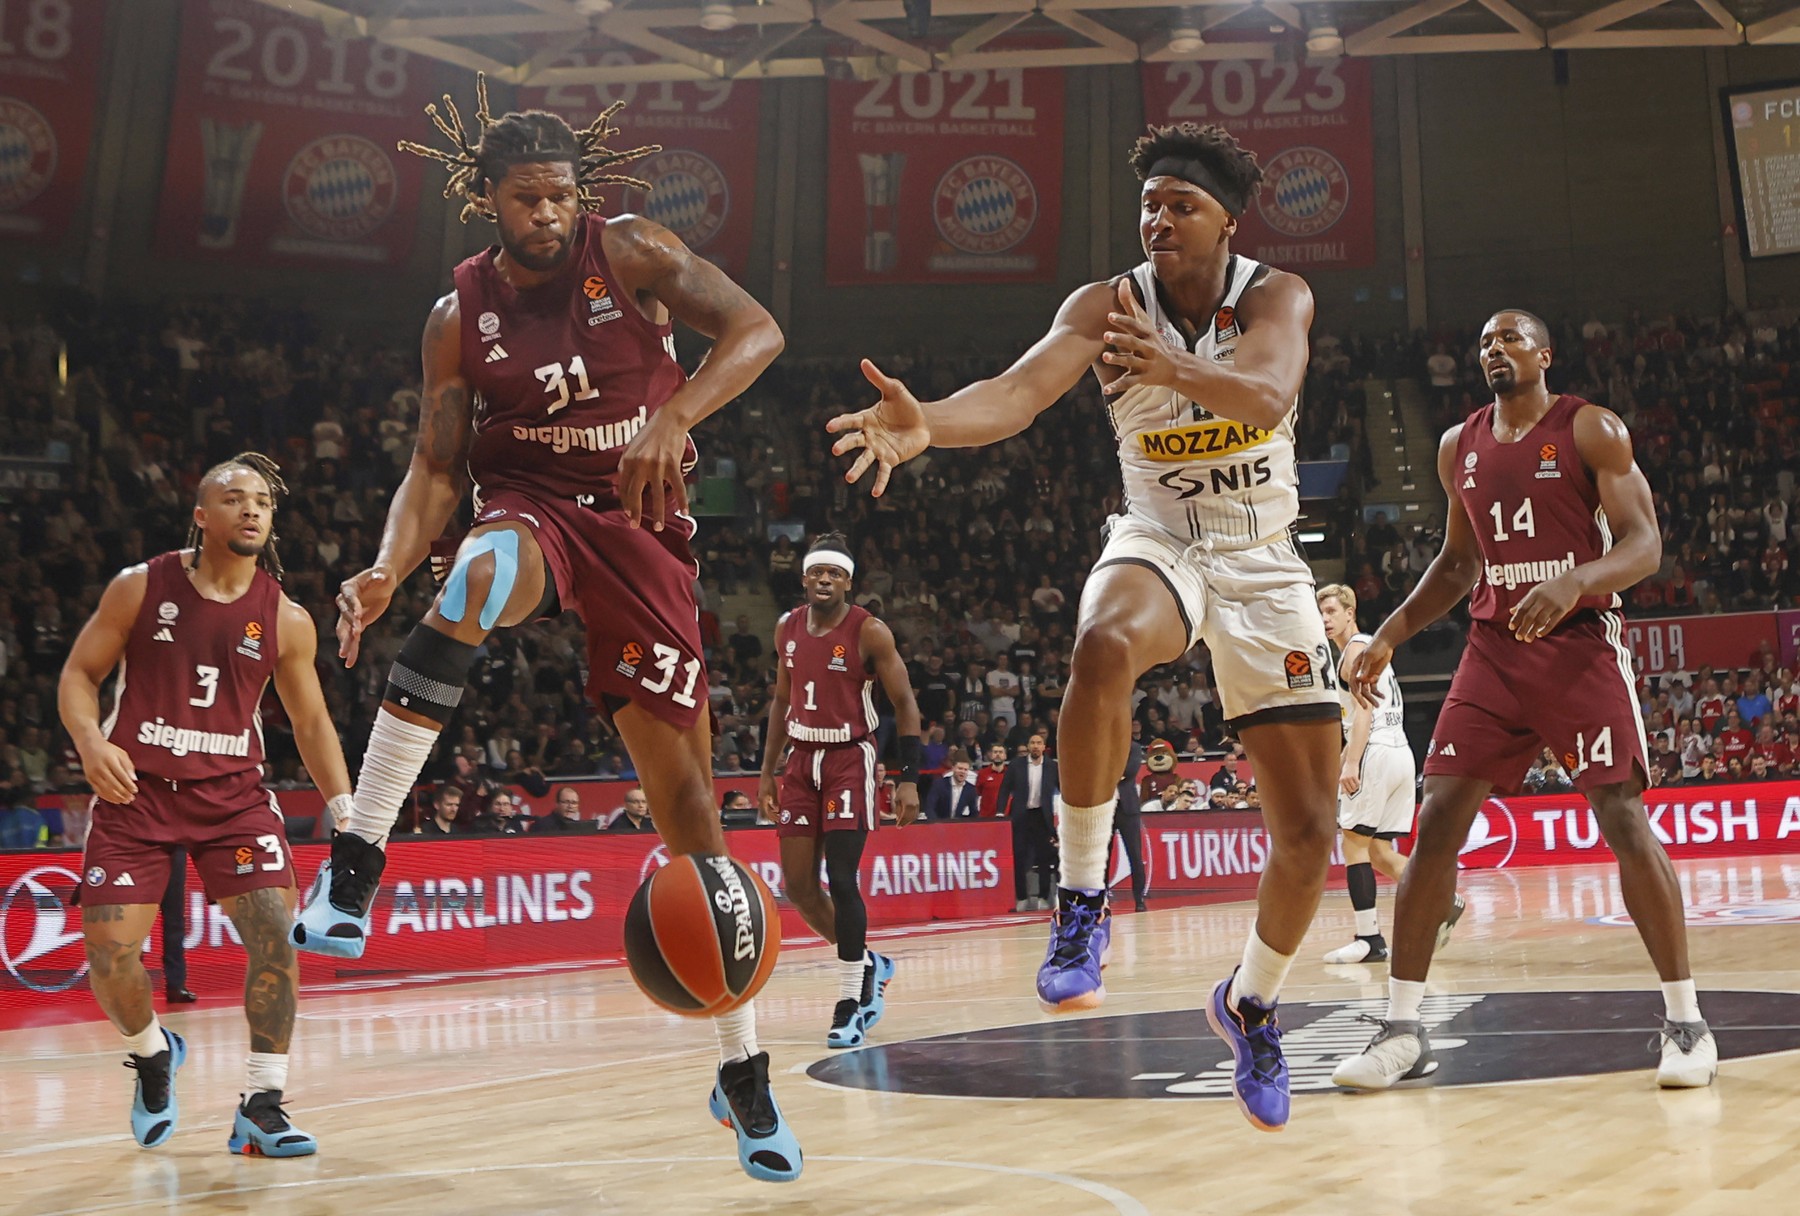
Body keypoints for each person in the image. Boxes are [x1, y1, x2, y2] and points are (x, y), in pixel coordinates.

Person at [289, 80, 800, 1181]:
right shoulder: (455, 316)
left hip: (644, 534)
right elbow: (437, 466)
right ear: (487, 201)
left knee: (693, 816)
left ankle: (742, 1072)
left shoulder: (636, 253)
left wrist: (674, 413)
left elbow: (759, 330)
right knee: (467, 586)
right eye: (529, 200)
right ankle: (356, 859)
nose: (552, 216)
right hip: (529, 510)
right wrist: (385, 562)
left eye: (564, 196)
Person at [828, 121, 1340, 1131]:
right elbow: (1017, 394)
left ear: (1227, 222)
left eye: (1180, 205)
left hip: (1264, 559)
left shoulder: (1276, 295)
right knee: (1103, 640)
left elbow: (1271, 390)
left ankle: (1252, 1004)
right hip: (1164, 536)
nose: (1158, 219)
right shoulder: (1105, 305)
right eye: (1148, 203)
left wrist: (1171, 368)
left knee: (1313, 831)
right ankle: (1080, 901)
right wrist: (929, 418)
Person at [1332, 310, 1715, 1092]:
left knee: (1622, 817)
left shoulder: (1592, 430)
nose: (1493, 350)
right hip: (1494, 652)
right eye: (1483, 342)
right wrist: (1388, 636)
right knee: (1437, 820)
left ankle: (1685, 1021)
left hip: (1577, 648)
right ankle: (1402, 1028)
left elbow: (1644, 543)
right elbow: (1455, 564)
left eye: (1509, 339)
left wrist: (1578, 578)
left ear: (1544, 353)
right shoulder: (1456, 447)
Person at [58, 453, 352, 1156]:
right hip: (137, 792)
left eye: (262, 502)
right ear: (201, 515)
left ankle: (262, 1102)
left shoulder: (285, 617)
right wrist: (91, 742)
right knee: (110, 956)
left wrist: (347, 812)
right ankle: (153, 1052)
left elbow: (310, 723)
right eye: (233, 498)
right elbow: (78, 673)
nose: (251, 509)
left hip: (234, 799)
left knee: (277, 940)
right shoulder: (140, 587)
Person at [757, 534, 922, 1048]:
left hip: (851, 757)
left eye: (835, 574)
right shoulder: (786, 627)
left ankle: (852, 999)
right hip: (801, 760)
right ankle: (869, 962)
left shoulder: (869, 632)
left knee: (843, 879)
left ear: (848, 582)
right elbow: (782, 700)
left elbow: (906, 703)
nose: (824, 580)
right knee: (799, 888)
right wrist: (767, 772)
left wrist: (909, 777)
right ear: (804, 577)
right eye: (816, 572)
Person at [1315, 584, 1461, 965]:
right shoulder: (1371, 645)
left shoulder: (1353, 652)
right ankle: (1441, 900)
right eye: (1321, 614)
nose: (1325, 619)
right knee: (1379, 850)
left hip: (1377, 750)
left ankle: (1369, 939)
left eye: (1331, 611)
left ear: (1351, 611)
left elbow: (1363, 713)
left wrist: (1350, 763)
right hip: (1399, 749)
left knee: (1353, 845)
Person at [998, 734, 1059, 912]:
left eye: (1039, 743)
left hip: (1042, 816)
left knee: (1044, 857)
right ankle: (1022, 897)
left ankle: (1043, 897)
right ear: (1027, 746)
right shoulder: (1016, 765)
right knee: (1019, 857)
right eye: (1032, 743)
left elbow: (1063, 788)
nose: (1035, 746)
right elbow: (1005, 789)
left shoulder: (1051, 766)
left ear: (1044, 747)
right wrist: (1000, 811)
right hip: (1021, 816)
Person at [1111, 740, 1148, 912]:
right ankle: (1101, 896)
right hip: (1105, 808)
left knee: (1135, 854)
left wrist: (1106, 773)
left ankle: (1139, 897)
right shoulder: (1100, 744)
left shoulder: (1133, 747)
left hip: (1128, 808)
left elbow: (1129, 770)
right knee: (1102, 856)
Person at [159, 849, 197, 1005]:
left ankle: (176, 985)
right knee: (135, 920)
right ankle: (130, 986)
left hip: (174, 846)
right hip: (140, 848)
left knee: (175, 918)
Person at [925, 756, 981, 820]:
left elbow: (974, 812)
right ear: (953, 768)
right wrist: (936, 825)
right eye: (960, 768)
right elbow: (930, 807)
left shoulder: (971, 789)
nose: (963, 771)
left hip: (958, 826)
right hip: (939, 823)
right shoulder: (939, 784)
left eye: (965, 769)